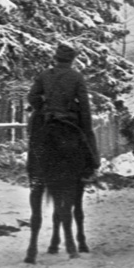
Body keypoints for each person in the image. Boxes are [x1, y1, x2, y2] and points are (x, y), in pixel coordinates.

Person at [27, 44, 99, 181]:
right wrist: (87, 127)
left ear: (56, 59)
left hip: (47, 118)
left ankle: (34, 171)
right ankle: (91, 167)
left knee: (34, 138)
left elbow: (32, 97)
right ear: (72, 60)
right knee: (88, 136)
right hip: (69, 119)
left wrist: (43, 107)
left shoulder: (45, 75)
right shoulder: (77, 77)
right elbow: (84, 105)